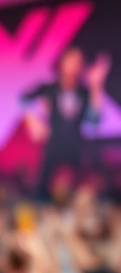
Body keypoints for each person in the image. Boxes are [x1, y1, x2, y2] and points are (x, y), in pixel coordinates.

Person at [22, 47, 109, 199]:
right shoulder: (48, 89)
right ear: (61, 63)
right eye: (70, 61)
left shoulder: (84, 92)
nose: (74, 66)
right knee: (42, 192)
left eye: (78, 62)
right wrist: (33, 120)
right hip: (52, 147)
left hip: (76, 149)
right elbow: (22, 100)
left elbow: (95, 120)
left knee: (81, 191)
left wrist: (96, 86)